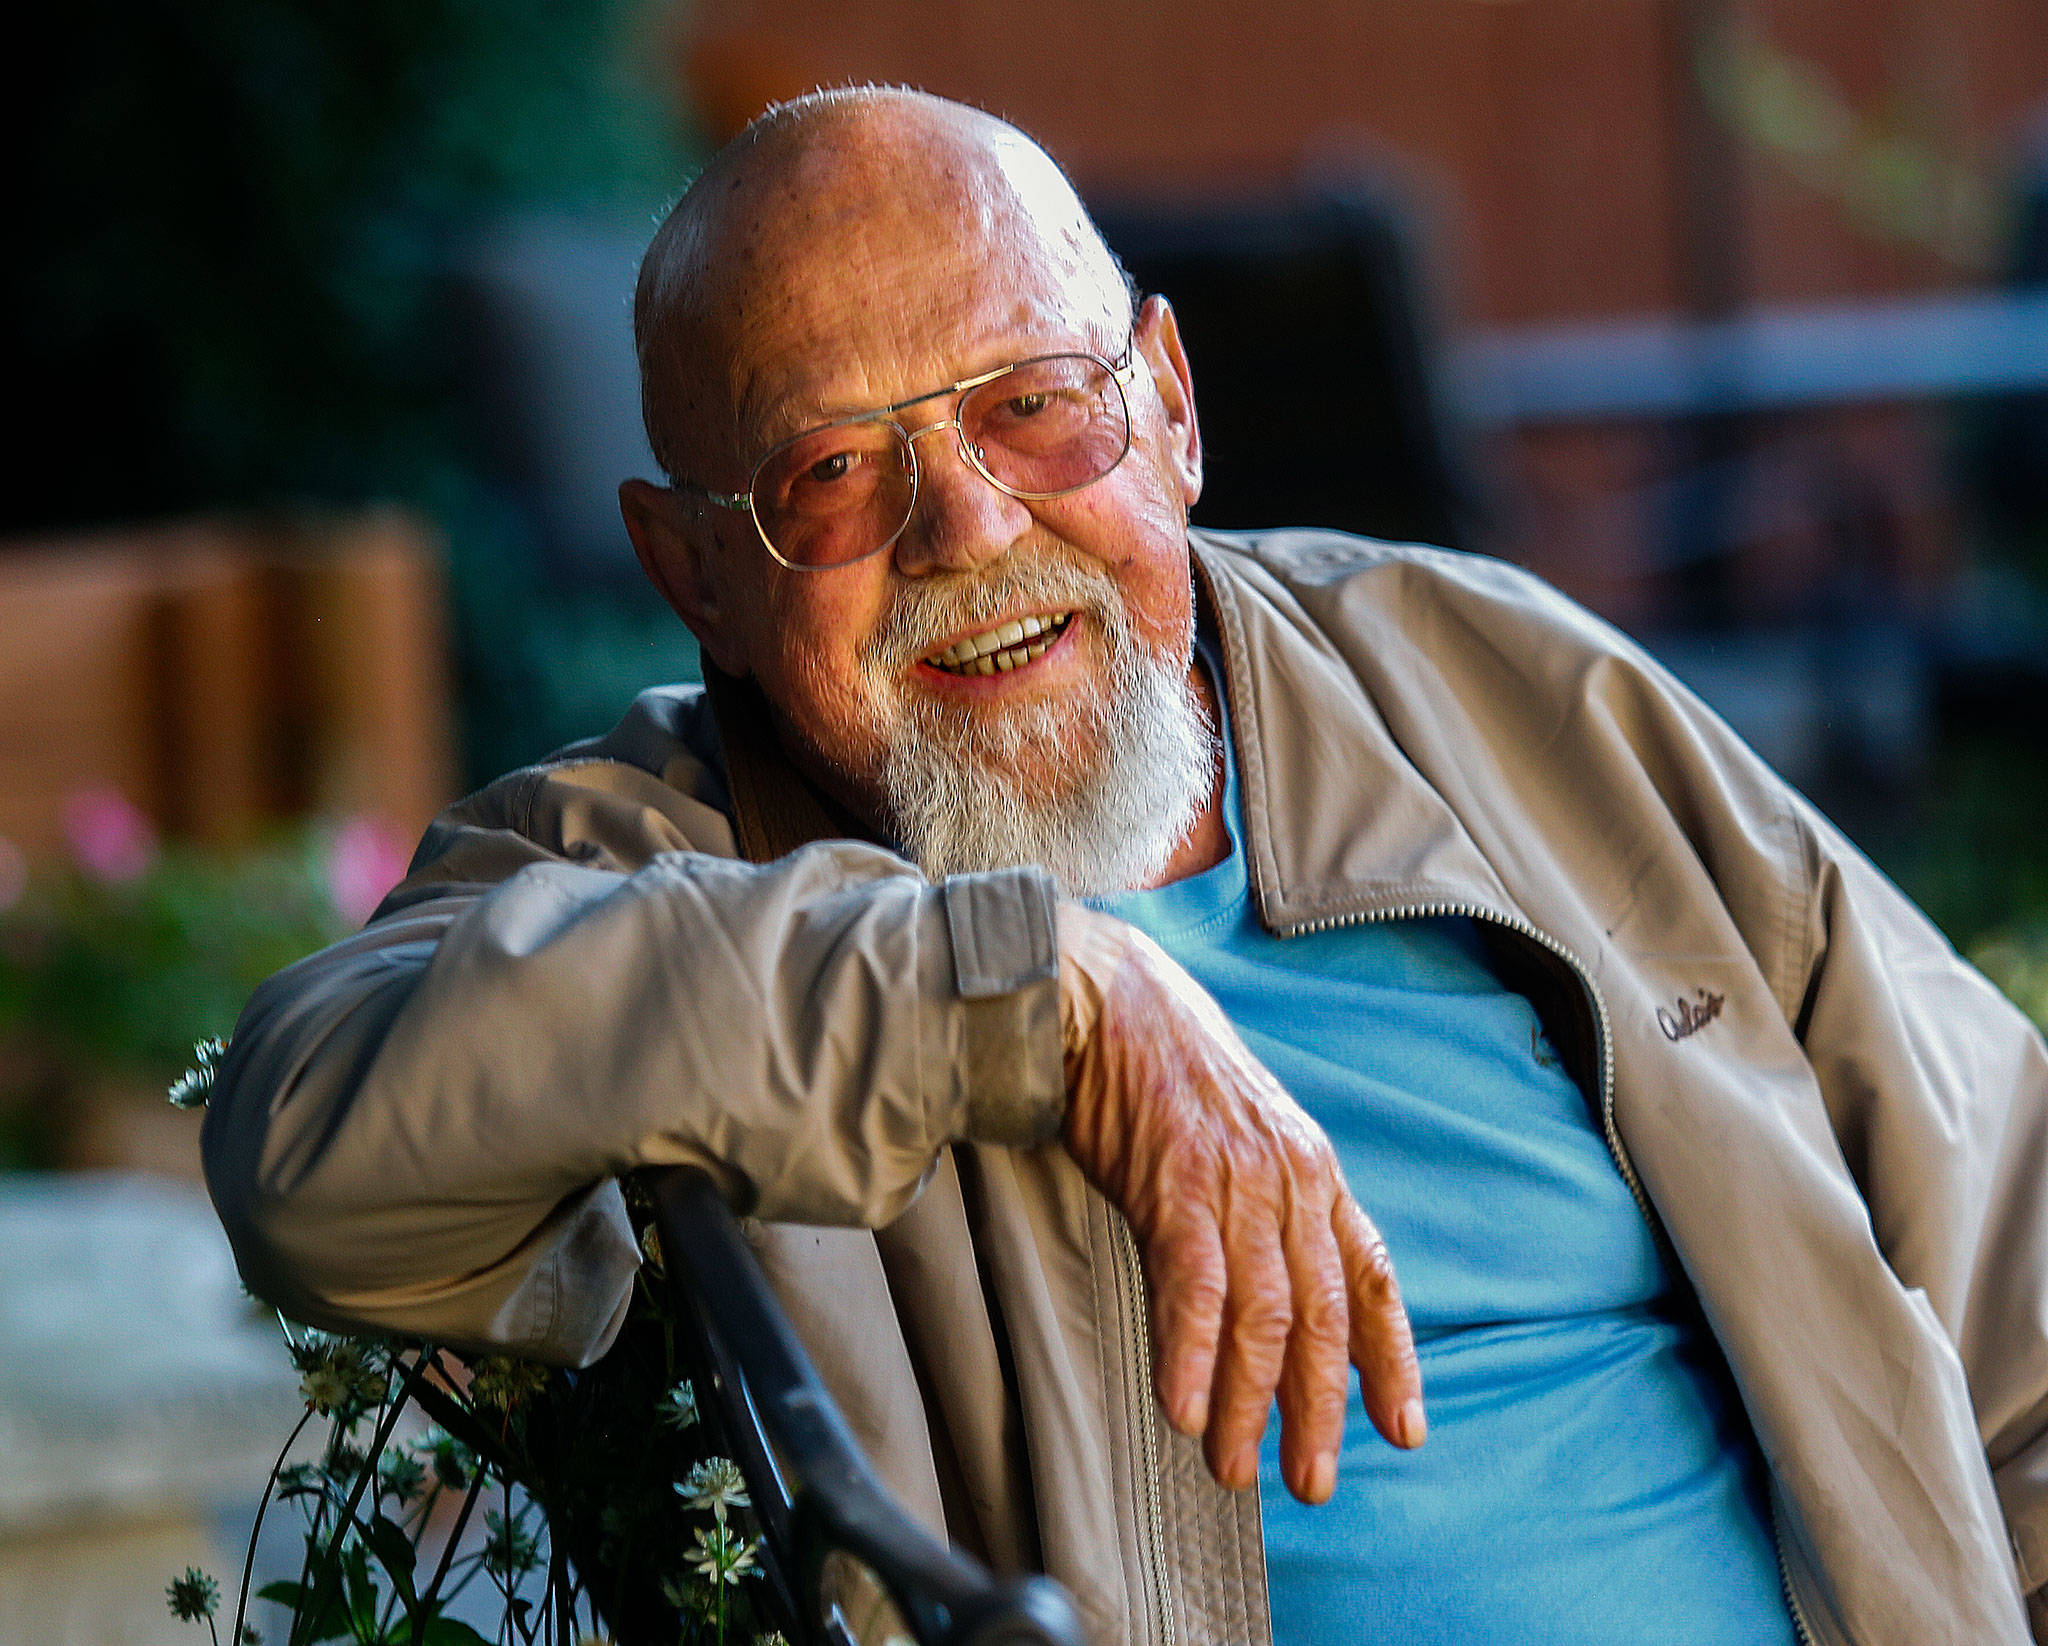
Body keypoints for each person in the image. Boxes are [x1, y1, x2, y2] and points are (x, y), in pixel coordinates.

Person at [204, 88, 2048, 1646]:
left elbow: (2017, 1270)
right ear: (697, 570)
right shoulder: (645, 849)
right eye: (836, 470)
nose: (971, 525)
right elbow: (303, 1147)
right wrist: (1030, 996)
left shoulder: (1504, 692)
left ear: (1166, 400)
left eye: (1035, 401)